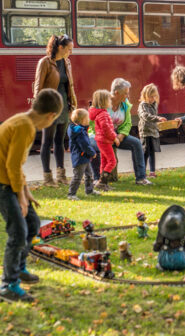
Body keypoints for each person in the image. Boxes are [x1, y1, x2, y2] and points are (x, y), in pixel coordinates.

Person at [0, 89, 63, 303]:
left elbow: (15, 164)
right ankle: (9, 285)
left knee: (33, 223)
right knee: (18, 233)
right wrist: (20, 198)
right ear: (50, 116)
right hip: (2, 184)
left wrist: (26, 193)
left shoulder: (23, 121)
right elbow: (12, 166)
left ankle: (19, 268)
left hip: (9, 181)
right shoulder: (25, 127)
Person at [89, 78, 152, 186]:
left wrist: (121, 135)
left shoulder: (125, 104)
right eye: (126, 94)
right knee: (96, 147)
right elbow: (92, 125)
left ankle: (141, 178)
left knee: (136, 143)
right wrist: (110, 138)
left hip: (115, 136)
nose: (128, 96)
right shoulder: (102, 102)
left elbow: (127, 123)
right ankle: (97, 179)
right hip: (98, 136)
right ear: (117, 93)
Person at [33, 34, 77, 187]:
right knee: (47, 141)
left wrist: (72, 106)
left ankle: (61, 175)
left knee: (60, 141)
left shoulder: (67, 62)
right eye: (69, 49)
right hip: (49, 106)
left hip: (63, 105)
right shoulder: (44, 63)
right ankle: (47, 177)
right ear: (60, 47)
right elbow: (38, 88)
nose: (71, 52)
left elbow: (69, 86)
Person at [89, 90, 119, 191]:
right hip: (104, 141)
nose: (110, 102)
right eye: (109, 100)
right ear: (103, 102)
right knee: (112, 161)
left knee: (104, 161)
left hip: (101, 140)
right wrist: (115, 137)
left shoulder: (100, 113)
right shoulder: (103, 114)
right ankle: (102, 182)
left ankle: (102, 183)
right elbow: (106, 129)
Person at [67, 109, 100, 200]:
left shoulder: (80, 130)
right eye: (87, 119)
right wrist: (92, 153)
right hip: (80, 157)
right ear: (82, 121)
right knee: (78, 176)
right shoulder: (79, 132)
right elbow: (84, 145)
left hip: (84, 157)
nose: (89, 120)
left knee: (89, 174)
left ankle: (89, 190)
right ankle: (71, 194)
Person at [153, 205, 185, 271]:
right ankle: (184, 266)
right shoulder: (183, 239)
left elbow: (155, 248)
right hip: (182, 263)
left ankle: (163, 266)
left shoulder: (163, 238)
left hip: (165, 262)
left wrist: (159, 239)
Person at [138, 84, 166, 178]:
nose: (153, 98)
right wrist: (157, 118)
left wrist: (159, 123)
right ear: (145, 95)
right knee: (145, 152)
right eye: (151, 96)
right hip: (145, 132)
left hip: (153, 131)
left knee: (152, 152)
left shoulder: (154, 105)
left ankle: (152, 172)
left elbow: (154, 118)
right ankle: (142, 172)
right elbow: (145, 116)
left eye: (154, 96)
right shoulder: (143, 105)